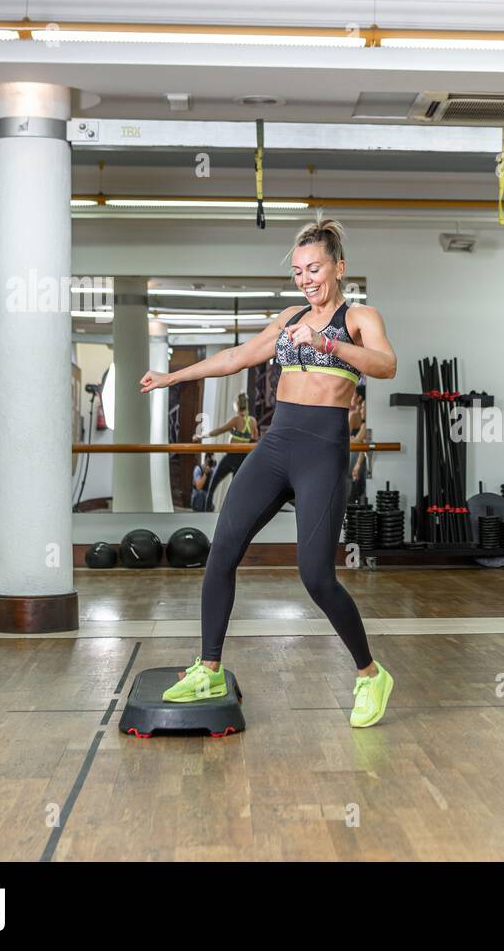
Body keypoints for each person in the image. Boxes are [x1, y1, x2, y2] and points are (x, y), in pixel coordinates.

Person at [140, 218, 398, 727]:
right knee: (223, 550)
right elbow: (239, 356)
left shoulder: (359, 317)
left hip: (323, 452)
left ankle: (370, 674)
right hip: (276, 445)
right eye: (299, 270)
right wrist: (173, 376)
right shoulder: (288, 317)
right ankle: (209, 667)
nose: (306, 278)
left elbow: (385, 365)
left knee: (316, 576)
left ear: (339, 267)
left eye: (315, 268)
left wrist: (327, 345)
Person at [192, 392, 258, 511]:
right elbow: (255, 440)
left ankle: (206, 514)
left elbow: (218, 431)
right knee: (236, 491)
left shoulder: (236, 420)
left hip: (231, 457)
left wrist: (200, 436)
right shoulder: (252, 421)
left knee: (212, 485)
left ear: (236, 405)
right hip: (243, 459)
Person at [348, 383, 369, 505]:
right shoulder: (361, 419)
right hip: (357, 456)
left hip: (357, 457)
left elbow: (356, 441)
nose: (352, 397)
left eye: (354, 394)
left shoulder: (359, 419)